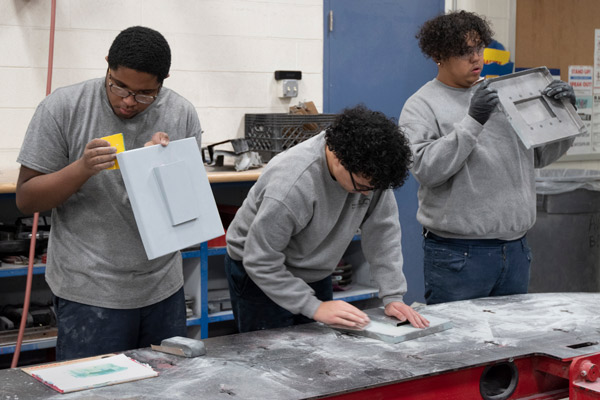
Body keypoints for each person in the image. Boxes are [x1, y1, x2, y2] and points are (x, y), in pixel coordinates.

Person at [16, 26, 202, 360]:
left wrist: (158, 167)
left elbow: (187, 210)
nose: (129, 102)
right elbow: (27, 198)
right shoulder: (63, 106)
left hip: (162, 288)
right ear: (107, 65)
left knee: (169, 388)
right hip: (89, 291)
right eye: (119, 87)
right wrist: (82, 168)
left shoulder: (180, 113)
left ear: (164, 80)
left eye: (145, 94)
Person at [399, 11, 576, 305]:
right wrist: (473, 121)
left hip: (516, 249)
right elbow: (426, 169)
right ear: (438, 56)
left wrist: (564, 116)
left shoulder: (504, 94)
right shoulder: (421, 105)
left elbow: (540, 156)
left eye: (479, 48)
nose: (476, 59)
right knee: (460, 348)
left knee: (509, 346)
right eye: (464, 52)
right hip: (459, 255)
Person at [225, 104, 430, 333]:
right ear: (339, 159)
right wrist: (314, 307)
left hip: (314, 269)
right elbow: (259, 259)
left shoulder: (371, 171)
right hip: (259, 271)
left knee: (319, 354)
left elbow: (383, 233)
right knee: (270, 359)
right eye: (361, 187)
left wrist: (393, 296)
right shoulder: (293, 183)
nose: (367, 194)